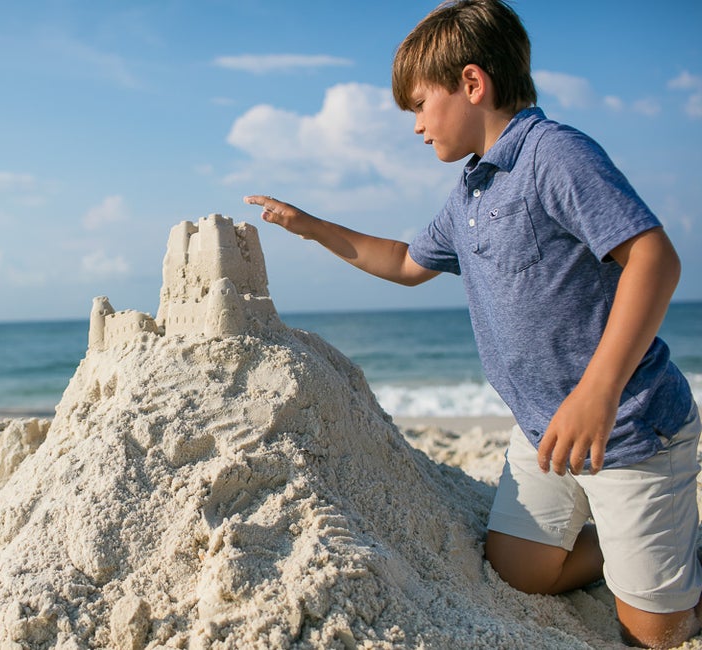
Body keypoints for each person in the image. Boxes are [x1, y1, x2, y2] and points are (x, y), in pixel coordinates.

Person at [245, 1, 700, 647]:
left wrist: (597, 394)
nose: (416, 126)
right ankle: (630, 546)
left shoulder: (554, 155)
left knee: (656, 630)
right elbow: (406, 262)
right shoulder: (472, 192)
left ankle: (670, 556)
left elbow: (653, 257)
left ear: (472, 83)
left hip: (625, 426)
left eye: (419, 105)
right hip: (545, 428)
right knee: (520, 572)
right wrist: (309, 225)